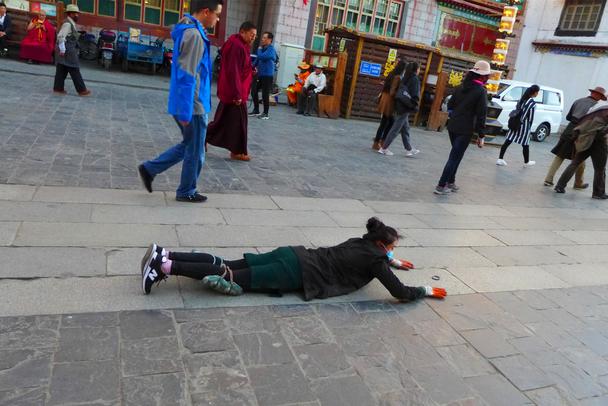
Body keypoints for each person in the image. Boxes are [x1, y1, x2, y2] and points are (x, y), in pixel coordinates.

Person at [140, 217, 447, 302]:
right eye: (391, 248)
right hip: (296, 273)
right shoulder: (376, 261)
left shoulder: (361, 241)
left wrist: (392, 260)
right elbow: (399, 292)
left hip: (292, 253)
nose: (391, 252)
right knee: (230, 276)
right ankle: (165, 267)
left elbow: (372, 256)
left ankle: (165, 253)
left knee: (229, 264)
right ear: (383, 244)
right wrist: (425, 291)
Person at [137, 0, 222, 203]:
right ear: (205, 11)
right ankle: (186, 191)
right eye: (216, 14)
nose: (217, 19)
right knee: (195, 150)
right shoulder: (194, 35)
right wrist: (186, 111)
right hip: (193, 105)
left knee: (189, 145)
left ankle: (150, 169)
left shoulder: (189, 29)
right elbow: (187, 75)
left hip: (188, 102)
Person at [434, 60, 490, 195]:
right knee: (454, 157)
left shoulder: (460, 87)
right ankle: (441, 185)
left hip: (453, 126)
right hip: (465, 129)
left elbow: (450, 105)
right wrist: (481, 135)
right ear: (483, 76)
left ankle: (451, 182)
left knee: (456, 155)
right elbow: (482, 114)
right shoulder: (481, 91)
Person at [206, 21, 256, 161]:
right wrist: (237, 93)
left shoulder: (241, 45)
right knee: (239, 122)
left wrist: (251, 70)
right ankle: (237, 151)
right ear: (242, 32)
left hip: (236, 90)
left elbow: (242, 66)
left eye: (254, 36)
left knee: (223, 121)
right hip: (234, 91)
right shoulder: (236, 45)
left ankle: (201, 137)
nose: (253, 38)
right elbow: (233, 71)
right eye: (251, 35)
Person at [544, 86, 607, 188]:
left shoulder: (578, 101)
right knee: (578, 159)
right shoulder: (596, 107)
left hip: (569, 129)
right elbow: (590, 123)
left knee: (560, 156)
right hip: (581, 132)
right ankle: (577, 183)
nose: (600, 99)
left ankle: (549, 179)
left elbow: (568, 117)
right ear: (598, 95)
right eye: (601, 96)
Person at [555, 103, 608, 199]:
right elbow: (604, 130)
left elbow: (584, 121)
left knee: (574, 163)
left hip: (585, 139)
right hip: (598, 142)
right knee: (600, 169)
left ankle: (560, 186)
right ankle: (598, 193)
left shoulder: (599, 108)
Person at [378, 62, 420, 157]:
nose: (419, 70)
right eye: (419, 68)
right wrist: (414, 104)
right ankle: (384, 148)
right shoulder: (414, 79)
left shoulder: (405, 77)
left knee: (405, 128)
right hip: (406, 106)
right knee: (395, 129)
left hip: (400, 104)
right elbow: (415, 94)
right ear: (416, 69)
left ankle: (409, 149)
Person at [496, 85, 540, 167]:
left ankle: (500, 159)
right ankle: (526, 162)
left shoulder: (522, 99)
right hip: (524, 126)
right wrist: (528, 127)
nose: (538, 93)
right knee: (525, 144)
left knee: (508, 141)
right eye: (538, 92)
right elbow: (530, 118)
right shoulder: (532, 103)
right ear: (535, 92)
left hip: (514, 124)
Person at [53, 5, 91, 96]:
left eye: (77, 13)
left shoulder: (71, 23)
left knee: (62, 68)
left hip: (67, 48)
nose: (77, 15)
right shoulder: (67, 24)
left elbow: (70, 34)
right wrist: (62, 49)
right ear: (70, 14)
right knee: (74, 68)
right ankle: (82, 90)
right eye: (75, 14)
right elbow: (61, 37)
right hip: (67, 49)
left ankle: (58, 88)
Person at [372, 60, 406, 151]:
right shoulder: (398, 77)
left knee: (385, 122)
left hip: (385, 98)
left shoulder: (391, 73)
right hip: (389, 101)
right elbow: (392, 92)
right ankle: (380, 142)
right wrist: (400, 95)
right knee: (388, 122)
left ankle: (378, 142)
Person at [250, 31, 277, 120]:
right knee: (254, 91)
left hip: (267, 75)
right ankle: (256, 109)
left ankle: (265, 113)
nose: (263, 39)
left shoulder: (271, 49)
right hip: (260, 74)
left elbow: (262, 57)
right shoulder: (262, 49)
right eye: (263, 37)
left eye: (265, 38)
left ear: (270, 40)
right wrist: (250, 67)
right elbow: (257, 59)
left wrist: (259, 50)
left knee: (265, 94)